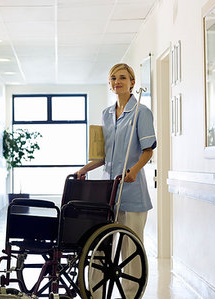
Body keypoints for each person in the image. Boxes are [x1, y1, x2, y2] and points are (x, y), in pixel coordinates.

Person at [75, 63, 156, 297]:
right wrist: (84, 168)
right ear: (110, 85)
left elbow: (148, 150)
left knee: (130, 248)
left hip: (132, 191)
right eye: (113, 78)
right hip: (107, 192)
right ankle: (97, 293)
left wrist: (134, 170)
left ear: (132, 82)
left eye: (122, 77)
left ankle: (131, 294)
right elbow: (104, 156)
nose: (117, 81)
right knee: (100, 244)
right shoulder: (106, 114)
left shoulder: (142, 111)